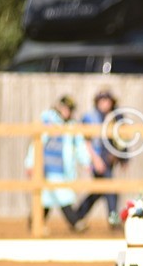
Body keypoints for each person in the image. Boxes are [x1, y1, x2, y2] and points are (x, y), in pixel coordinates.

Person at [24, 94, 100, 232]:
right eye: (65, 108)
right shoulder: (47, 121)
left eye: (69, 109)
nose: (66, 111)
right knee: (60, 196)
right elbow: (36, 145)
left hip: (62, 169)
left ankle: (34, 222)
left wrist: (86, 162)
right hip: (46, 168)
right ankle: (74, 222)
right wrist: (31, 163)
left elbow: (79, 146)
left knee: (49, 197)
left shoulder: (72, 126)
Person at [75, 89, 127, 229]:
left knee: (99, 191)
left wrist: (123, 159)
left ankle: (77, 215)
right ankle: (113, 220)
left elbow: (122, 139)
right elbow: (85, 141)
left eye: (107, 100)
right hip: (97, 160)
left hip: (109, 161)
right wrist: (95, 159)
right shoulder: (90, 117)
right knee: (110, 190)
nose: (105, 103)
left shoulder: (116, 117)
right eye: (102, 100)